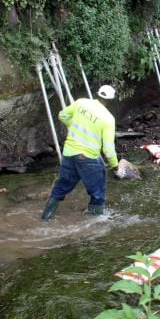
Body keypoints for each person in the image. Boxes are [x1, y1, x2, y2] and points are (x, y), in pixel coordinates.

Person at [41, 85, 119, 221]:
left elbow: (62, 115)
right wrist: (115, 166)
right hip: (87, 158)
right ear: (111, 101)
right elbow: (108, 148)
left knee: (62, 186)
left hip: (69, 153)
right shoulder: (108, 119)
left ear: (97, 94)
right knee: (98, 192)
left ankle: (46, 218)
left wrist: (74, 125)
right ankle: (94, 225)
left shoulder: (81, 102)